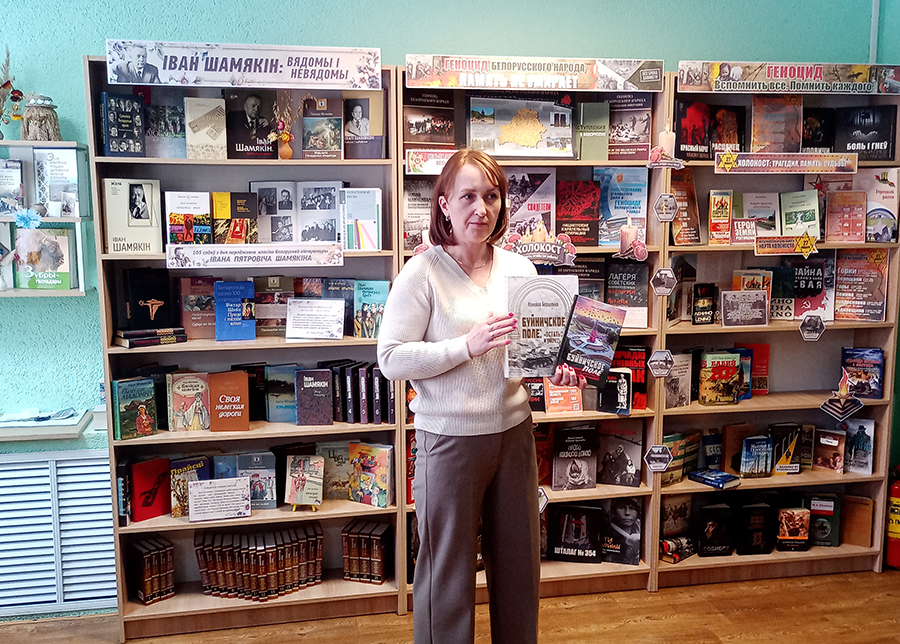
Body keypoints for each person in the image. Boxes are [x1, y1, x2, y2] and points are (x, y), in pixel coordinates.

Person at [377, 148, 585, 644]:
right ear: (444, 204)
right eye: (468, 196)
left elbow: (533, 356)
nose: (481, 208)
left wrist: (558, 372)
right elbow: (391, 359)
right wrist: (464, 347)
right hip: (448, 441)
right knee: (446, 575)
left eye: (491, 196)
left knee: (519, 566)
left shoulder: (521, 269)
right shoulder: (421, 274)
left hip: (513, 434)